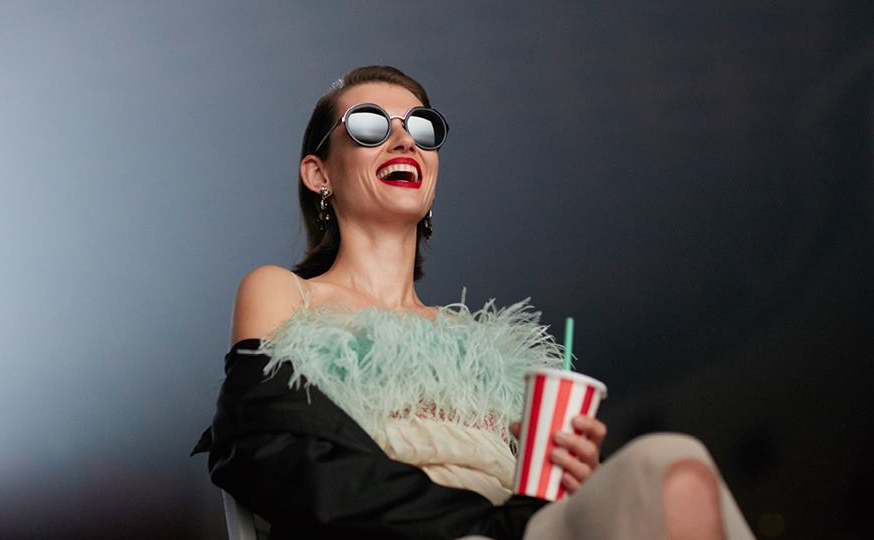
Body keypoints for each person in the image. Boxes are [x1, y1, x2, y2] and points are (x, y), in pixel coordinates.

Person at [193, 66, 755, 539]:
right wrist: (490, 524)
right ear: (319, 174)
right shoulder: (283, 292)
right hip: (410, 531)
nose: (404, 141)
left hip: (522, 526)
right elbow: (272, 453)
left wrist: (578, 477)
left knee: (669, 460)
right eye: (368, 125)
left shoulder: (490, 352)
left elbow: (541, 497)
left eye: (421, 128)